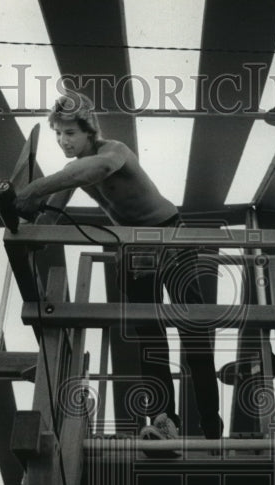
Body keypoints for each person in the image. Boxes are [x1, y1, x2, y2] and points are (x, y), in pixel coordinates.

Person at [14, 91, 223, 440]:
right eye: (58, 135)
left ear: (89, 131)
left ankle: (213, 429)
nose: (63, 141)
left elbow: (99, 168)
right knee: (149, 335)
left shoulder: (114, 151)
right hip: (135, 245)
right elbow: (50, 216)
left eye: (69, 133)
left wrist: (32, 187)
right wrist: (25, 219)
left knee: (194, 332)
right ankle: (165, 421)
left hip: (170, 233)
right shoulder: (72, 172)